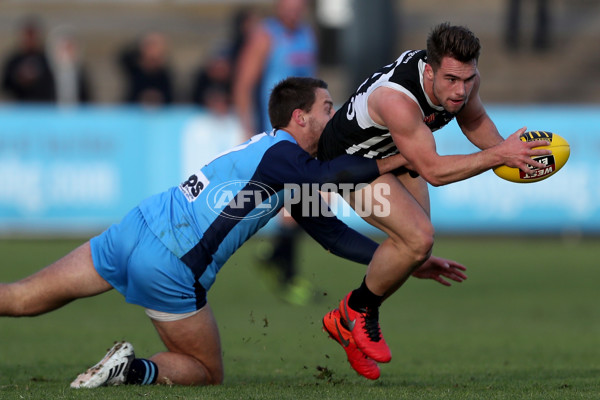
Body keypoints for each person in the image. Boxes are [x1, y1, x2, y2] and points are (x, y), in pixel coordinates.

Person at [0, 77, 454, 388]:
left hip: (136, 227)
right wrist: (397, 159)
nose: (334, 116)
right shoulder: (284, 155)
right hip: (172, 262)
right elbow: (334, 178)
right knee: (205, 371)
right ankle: (132, 371)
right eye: (327, 108)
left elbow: (330, 233)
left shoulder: (282, 163)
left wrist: (400, 260)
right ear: (299, 118)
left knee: (20, 297)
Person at [318, 23, 551, 378]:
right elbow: (435, 172)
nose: (460, 90)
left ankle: (347, 323)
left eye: (468, 79)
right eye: (451, 80)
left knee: (417, 248)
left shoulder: (465, 79)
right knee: (417, 237)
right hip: (349, 164)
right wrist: (498, 156)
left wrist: (508, 153)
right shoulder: (396, 99)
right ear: (429, 69)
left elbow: (474, 120)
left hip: (398, 153)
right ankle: (355, 310)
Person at [233, 0, 318, 305]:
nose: (293, 9)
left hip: (303, 131)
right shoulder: (265, 35)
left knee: (303, 199)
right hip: (275, 130)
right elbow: (244, 83)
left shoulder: (308, 35)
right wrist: (247, 125)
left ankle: (277, 258)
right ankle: (285, 269)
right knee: (301, 197)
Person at [1, 17, 56, 102]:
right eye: (27, 35)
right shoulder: (13, 60)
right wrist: (19, 78)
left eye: (32, 35)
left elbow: (53, 84)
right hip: (19, 106)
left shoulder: (48, 59)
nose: (30, 39)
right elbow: (6, 86)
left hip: (43, 106)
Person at [118, 31, 174, 107]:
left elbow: (170, 97)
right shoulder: (134, 67)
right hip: (133, 109)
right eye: (150, 46)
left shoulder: (165, 73)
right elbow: (122, 56)